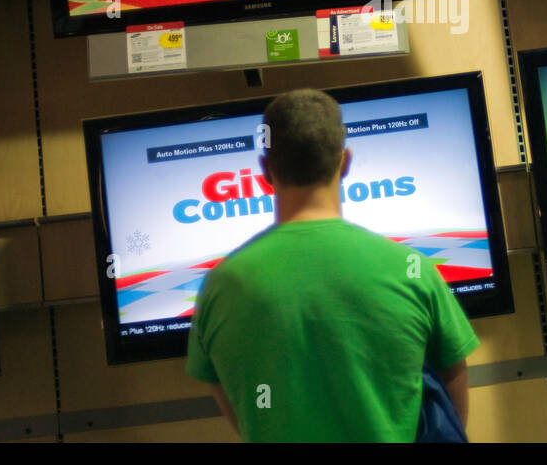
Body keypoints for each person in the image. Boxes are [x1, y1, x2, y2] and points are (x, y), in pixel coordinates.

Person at [186, 88, 479, 442]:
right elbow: (452, 395)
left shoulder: (220, 285)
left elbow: (238, 408)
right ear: (346, 162)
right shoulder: (411, 269)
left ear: (265, 170)